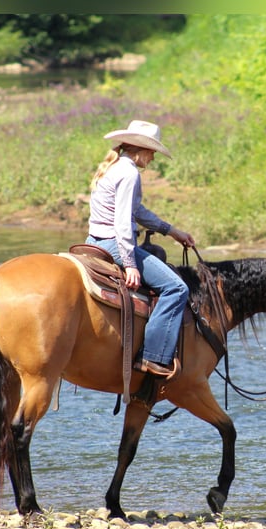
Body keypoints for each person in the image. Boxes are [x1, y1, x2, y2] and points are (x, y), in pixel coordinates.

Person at [85, 120, 195, 379]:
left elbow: (137, 212)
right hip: (115, 243)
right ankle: (153, 358)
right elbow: (123, 223)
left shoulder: (115, 167)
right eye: (152, 151)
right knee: (177, 288)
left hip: (94, 241)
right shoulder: (129, 173)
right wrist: (130, 264)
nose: (154, 157)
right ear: (141, 149)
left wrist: (172, 231)